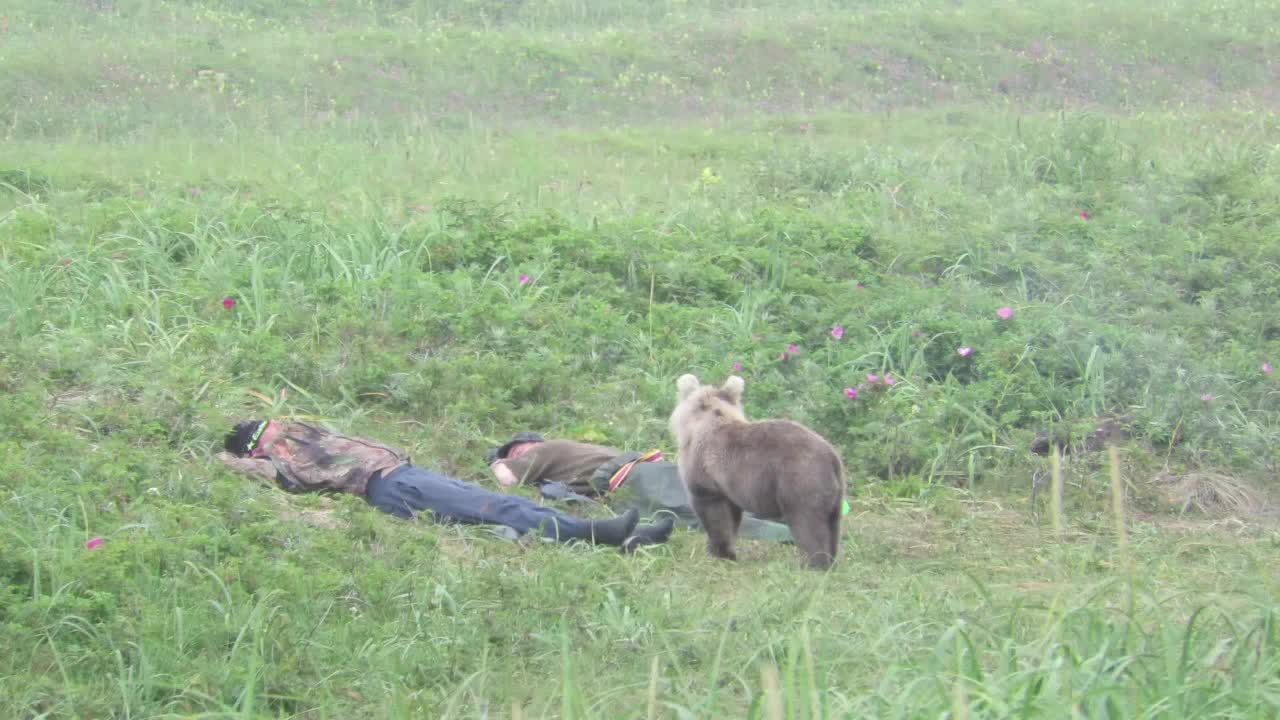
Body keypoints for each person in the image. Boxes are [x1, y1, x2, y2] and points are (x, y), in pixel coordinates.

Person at [217, 419, 674, 552]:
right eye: (267, 432)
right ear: (259, 449)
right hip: (391, 487)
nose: (279, 427)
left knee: (495, 506)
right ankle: (598, 534)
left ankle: (626, 539)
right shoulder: (280, 462)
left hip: (404, 474)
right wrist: (230, 458)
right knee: (499, 510)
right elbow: (257, 471)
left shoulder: (302, 433)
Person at [487, 432, 795, 544]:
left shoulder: (543, 451)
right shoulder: (569, 455)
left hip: (636, 480)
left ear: (531, 445)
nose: (515, 456)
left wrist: (497, 464)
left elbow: (508, 480)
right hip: (645, 473)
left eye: (515, 450)